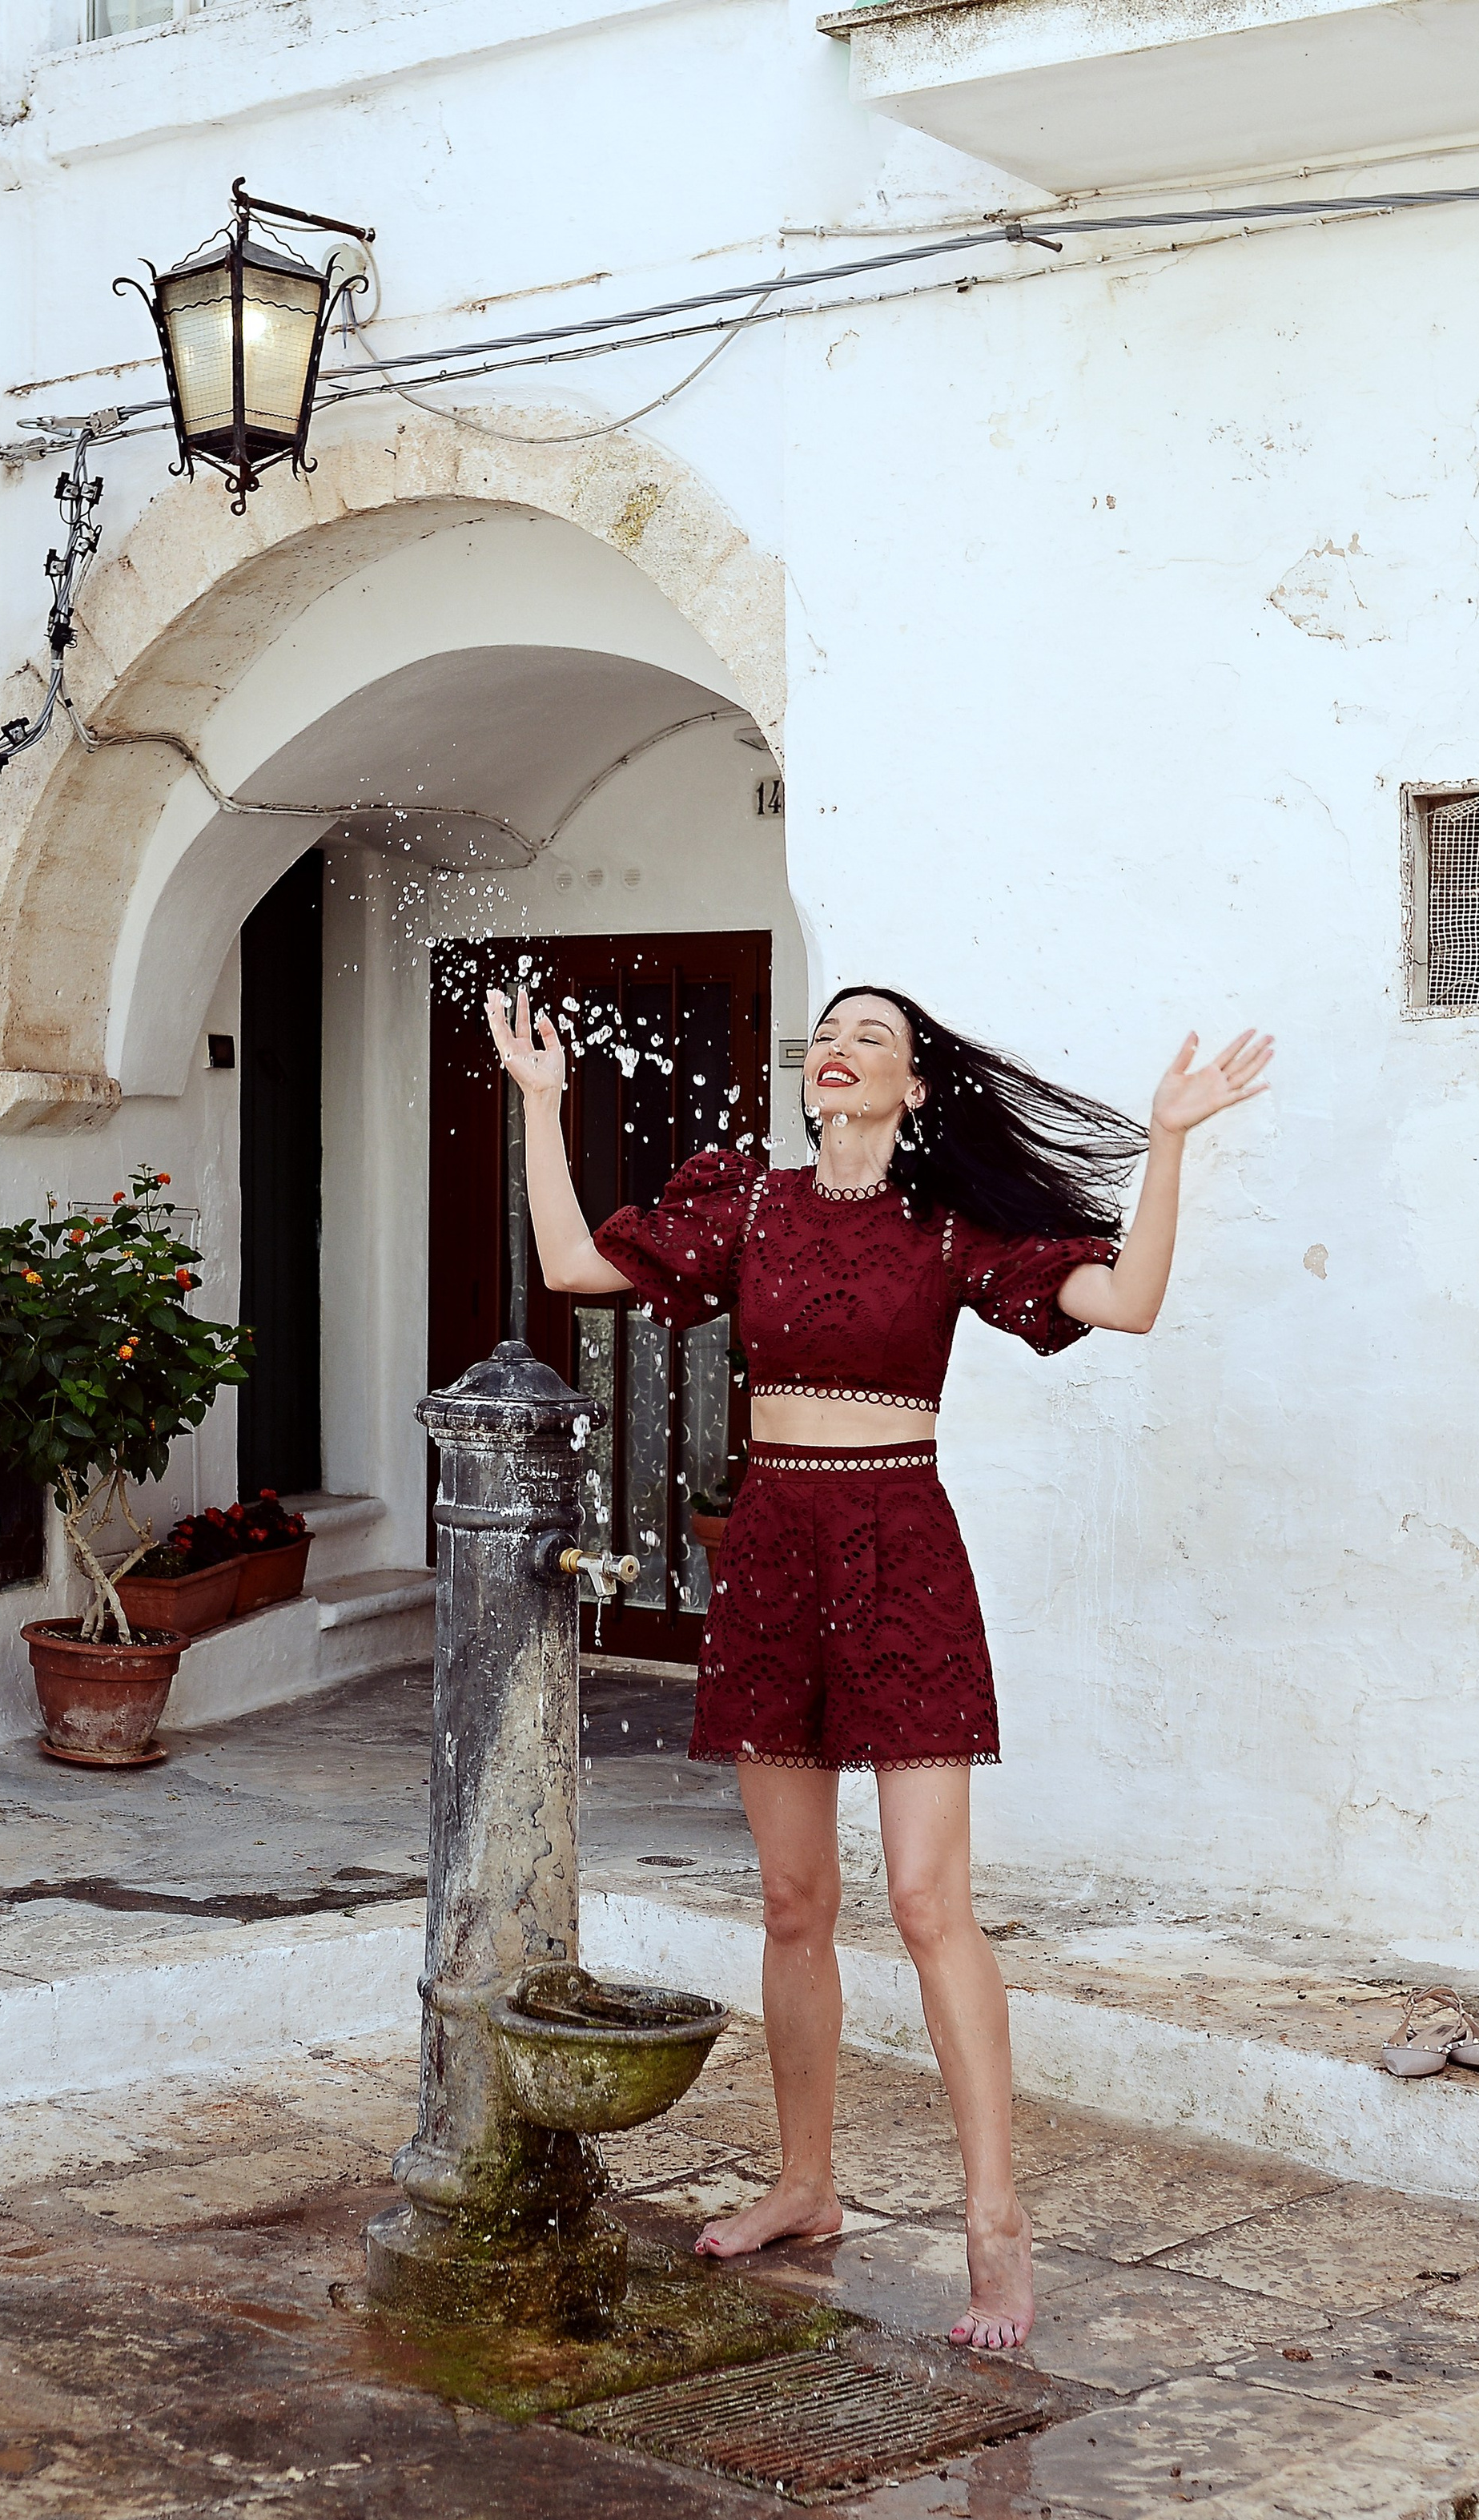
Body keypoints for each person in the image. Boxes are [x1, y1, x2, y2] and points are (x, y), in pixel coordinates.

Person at [488, 978, 1272, 2353]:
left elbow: (1130, 1303)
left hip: (902, 1548)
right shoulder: (744, 1205)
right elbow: (571, 1270)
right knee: (793, 1901)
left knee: (926, 1903)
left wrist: (1170, 1140)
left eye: (873, 1039)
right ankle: (806, 2182)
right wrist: (544, 1109)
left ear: (915, 1090)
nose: (839, 1050)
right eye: (827, 1036)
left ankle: (994, 2222)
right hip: (777, 1546)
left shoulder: (954, 1226)